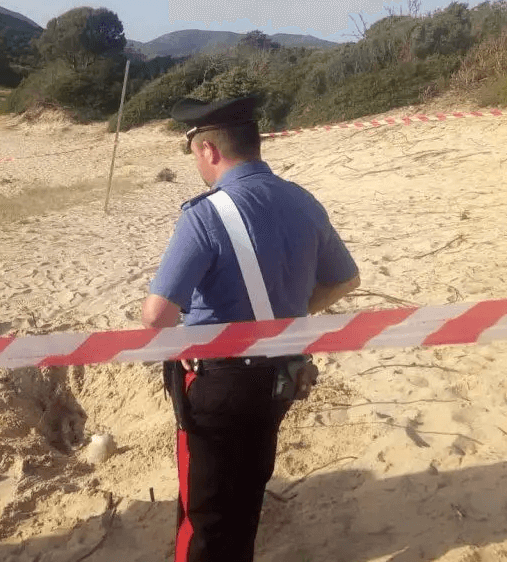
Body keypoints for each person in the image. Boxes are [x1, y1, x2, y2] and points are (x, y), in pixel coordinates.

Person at [142, 96, 361, 562]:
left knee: (205, 515)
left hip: (218, 384)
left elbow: (157, 317)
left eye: (195, 155)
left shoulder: (203, 216)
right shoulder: (302, 200)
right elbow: (346, 278)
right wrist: (289, 318)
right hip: (281, 376)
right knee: (246, 499)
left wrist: (187, 340)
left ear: (209, 151)